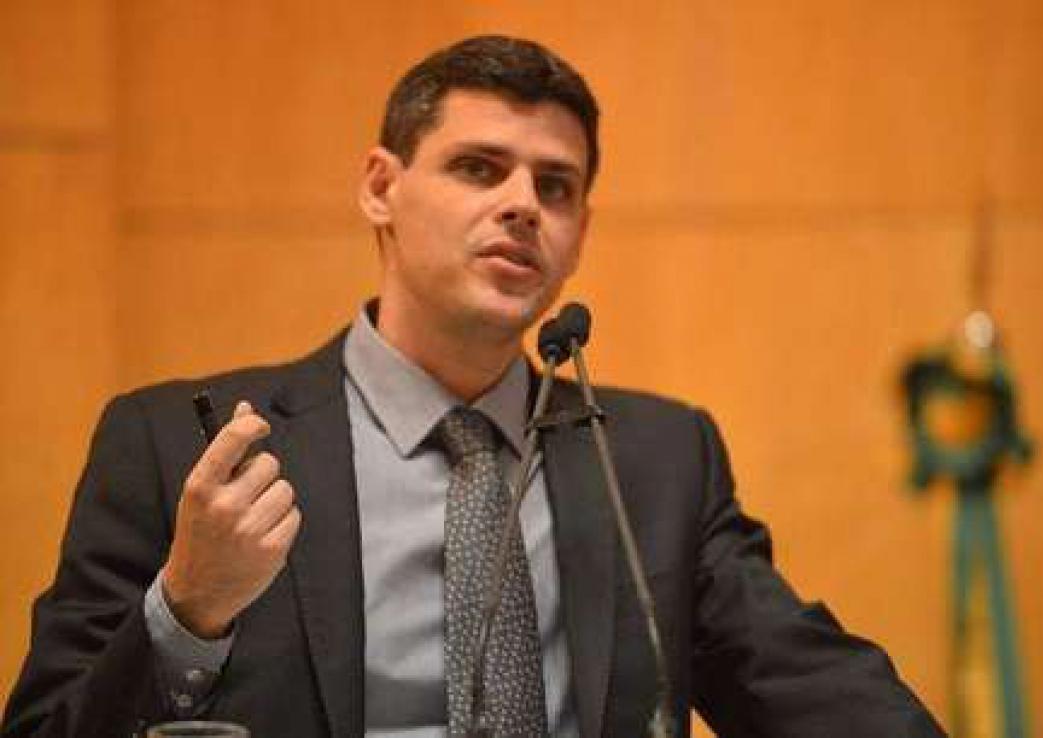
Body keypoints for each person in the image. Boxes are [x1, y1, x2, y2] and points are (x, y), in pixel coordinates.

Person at [2, 35, 945, 738]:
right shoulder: (182, 445)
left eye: (556, 186)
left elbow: (805, 685)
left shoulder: (654, 463)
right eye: (478, 168)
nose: (522, 205)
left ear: (578, 234)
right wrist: (187, 611)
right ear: (381, 187)